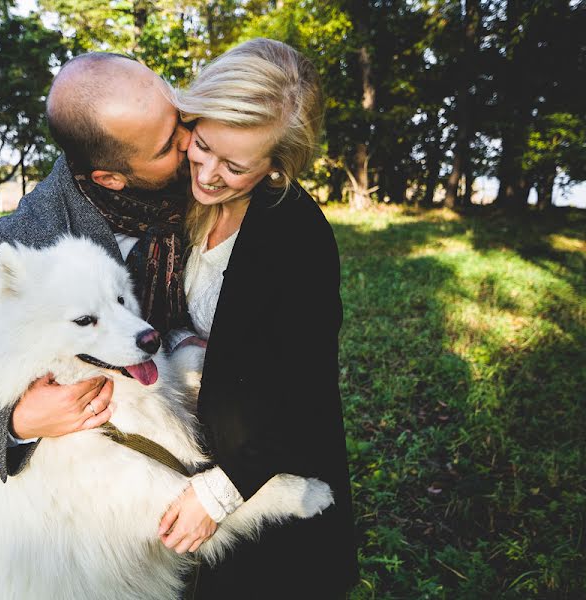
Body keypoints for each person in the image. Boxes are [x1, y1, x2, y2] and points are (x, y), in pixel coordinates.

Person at [155, 38, 359, 598]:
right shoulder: (166, 182)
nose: (210, 173)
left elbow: (302, 396)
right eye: (204, 144)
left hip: (258, 464)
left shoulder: (298, 239)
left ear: (276, 168)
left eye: (236, 166)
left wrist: (218, 494)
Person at [0, 52, 193, 482]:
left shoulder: (209, 152)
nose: (189, 138)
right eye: (167, 145)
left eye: (177, 110)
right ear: (109, 178)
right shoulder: (34, 232)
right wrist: (16, 421)